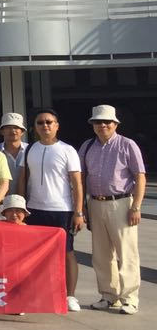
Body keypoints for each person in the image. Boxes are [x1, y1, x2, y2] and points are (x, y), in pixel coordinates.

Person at [79, 105, 146, 315]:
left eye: (107, 122)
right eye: (98, 122)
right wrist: (82, 207)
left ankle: (130, 298)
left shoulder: (127, 145)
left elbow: (140, 176)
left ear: (115, 124)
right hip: (95, 203)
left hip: (121, 202)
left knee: (126, 252)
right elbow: (81, 177)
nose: (102, 125)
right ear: (93, 125)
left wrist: (136, 206)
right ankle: (109, 295)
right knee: (101, 253)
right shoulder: (87, 147)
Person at [16, 108, 84, 312]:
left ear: (57, 126)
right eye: (40, 122)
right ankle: (36, 293)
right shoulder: (29, 150)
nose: (45, 125)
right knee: (34, 254)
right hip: (34, 209)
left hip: (62, 209)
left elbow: (77, 183)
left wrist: (78, 212)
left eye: (49, 122)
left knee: (67, 252)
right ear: (34, 127)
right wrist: (21, 206)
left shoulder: (67, 150)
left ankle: (70, 295)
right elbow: (23, 179)